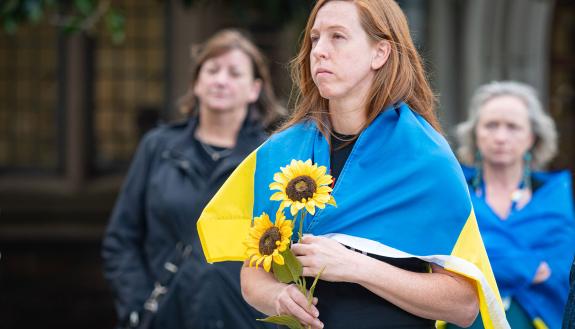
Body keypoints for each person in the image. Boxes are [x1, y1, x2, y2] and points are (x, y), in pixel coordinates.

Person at [196, 1, 509, 329]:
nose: (319, 51)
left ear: (380, 53)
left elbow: (463, 305)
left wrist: (355, 266)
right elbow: (253, 274)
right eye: (315, 38)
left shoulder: (426, 159)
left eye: (338, 37)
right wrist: (276, 296)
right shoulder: (280, 152)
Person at [101, 29, 284, 329]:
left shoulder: (271, 157)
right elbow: (121, 239)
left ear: (254, 89)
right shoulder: (158, 148)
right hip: (167, 318)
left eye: (234, 73)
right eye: (212, 70)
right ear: (196, 82)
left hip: (243, 319)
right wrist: (137, 305)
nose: (221, 80)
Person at [452, 81, 575, 329]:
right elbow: (446, 262)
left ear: (532, 137)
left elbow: (559, 270)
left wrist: (487, 261)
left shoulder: (559, 194)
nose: (500, 137)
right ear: (476, 133)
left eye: (513, 127)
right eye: (491, 125)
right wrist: (528, 266)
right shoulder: (452, 189)